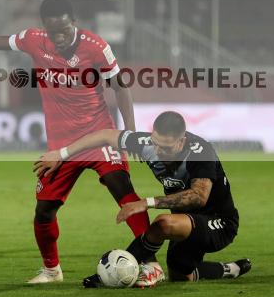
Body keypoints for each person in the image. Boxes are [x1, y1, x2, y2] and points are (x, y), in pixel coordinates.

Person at [0, 0, 154, 283]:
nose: (59, 37)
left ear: (74, 23)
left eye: (64, 30)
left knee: (121, 187)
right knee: (44, 210)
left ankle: (150, 264)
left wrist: (129, 134)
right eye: (53, 32)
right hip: (60, 146)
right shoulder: (34, 39)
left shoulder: (96, 47)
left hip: (98, 135)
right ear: (45, 27)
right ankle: (51, 270)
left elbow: (121, 88)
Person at [36, 110, 251, 287]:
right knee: (180, 273)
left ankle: (112, 275)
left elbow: (199, 197)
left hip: (219, 223)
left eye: (165, 147)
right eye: (155, 143)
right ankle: (229, 269)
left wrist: (146, 203)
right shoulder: (147, 143)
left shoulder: (200, 151)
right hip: (185, 223)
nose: (158, 151)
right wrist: (61, 154)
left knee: (162, 224)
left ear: (182, 142)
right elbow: (103, 135)